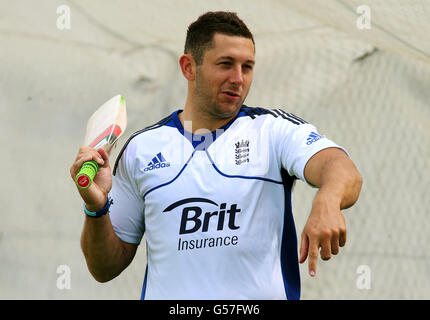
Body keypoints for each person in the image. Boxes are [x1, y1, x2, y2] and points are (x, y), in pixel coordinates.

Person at [70, 11, 362, 300]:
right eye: (226, 64)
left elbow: (340, 167)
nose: (238, 78)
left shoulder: (272, 131)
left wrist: (328, 198)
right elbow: (104, 268)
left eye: (247, 67)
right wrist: (96, 209)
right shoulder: (141, 149)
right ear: (188, 67)